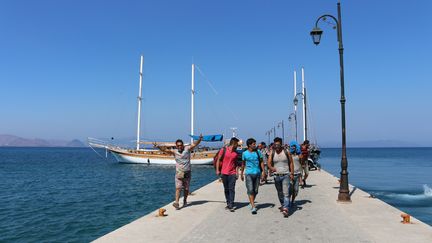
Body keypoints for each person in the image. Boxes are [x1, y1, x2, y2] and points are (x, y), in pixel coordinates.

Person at [155, 135, 202, 210]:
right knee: (178, 188)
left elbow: (194, 144)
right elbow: (165, 150)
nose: (179, 147)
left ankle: (185, 201)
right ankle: (176, 202)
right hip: (179, 173)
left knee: (186, 189)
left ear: (183, 145)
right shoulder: (175, 151)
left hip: (187, 172)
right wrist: (158, 146)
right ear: (176, 146)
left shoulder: (187, 149)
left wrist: (199, 139)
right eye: (178, 146)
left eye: (180, 145)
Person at [267, 137, 294, 217]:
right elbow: (268, 163)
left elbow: (291, 163)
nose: (277, 146)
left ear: (281, 144)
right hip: (276, 176)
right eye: (275, 144)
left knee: (286, 193)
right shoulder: (272, 152)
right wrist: (271, 168)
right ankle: (283, 204)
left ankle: (286, 208)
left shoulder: (286, 152)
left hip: (286, 175)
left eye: (278, 144)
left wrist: (291, 173)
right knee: (279, 192)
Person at [240, 138, 265, 215]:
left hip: (257, 173)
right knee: (250, 190)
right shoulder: (244, 153)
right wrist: (241, 173)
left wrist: (263, 172)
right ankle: (253, 206)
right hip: (248, 174)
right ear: (249, 145)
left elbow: (261, 162)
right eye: (254, 144)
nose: (255, 145)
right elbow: (243, 164)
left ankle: (252, 202)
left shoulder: (258, 152)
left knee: (256, 190)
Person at [216, 137, 240, 212]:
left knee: (231, 189)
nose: (238, 145)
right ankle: (228, 202)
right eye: (237, 144)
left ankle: (231, 204)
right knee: (226, 189)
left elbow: (236, 164)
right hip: (224, 173)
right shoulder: (223, 150)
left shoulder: (236, 153)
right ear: (233, 143)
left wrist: (237, 172)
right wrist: (217, 170)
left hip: (232, 173)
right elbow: (218, 160)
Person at [289, 141, 302, 207]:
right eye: (292, 147)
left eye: (294, 147)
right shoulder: (289, 155)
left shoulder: (298, 155)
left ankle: (293, 200)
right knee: (290, 189)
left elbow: (300, 164)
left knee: (296, 190)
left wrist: (300, 177)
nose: (293, 148)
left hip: (297, 174)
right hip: (290, 174)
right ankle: (288, 201)